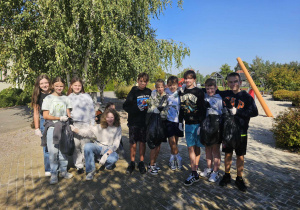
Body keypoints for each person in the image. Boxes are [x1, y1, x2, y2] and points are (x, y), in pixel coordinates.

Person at [218, 72, 258, 192]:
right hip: (227, 130)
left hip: (241, 130)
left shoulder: (246, 97)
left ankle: (239, 178)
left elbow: (255, 112)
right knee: (228, 153)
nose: (233, 84)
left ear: (240, 82)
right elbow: (209, 89)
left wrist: (238, 112)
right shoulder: (225, 94)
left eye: (235, 81)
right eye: (230, 82)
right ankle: (227, 175)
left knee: (240, 155)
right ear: (227, 83)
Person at [71, 109, 122, 180]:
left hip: (109, 149)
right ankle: (91, 171)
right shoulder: (99, 126)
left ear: (115, 118)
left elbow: (116, 143)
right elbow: (87, 133)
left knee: (113, 159)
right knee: (87, 146)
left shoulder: (118, 127)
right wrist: (76, 130)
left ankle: (105, 163)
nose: (110, 119)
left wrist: (106, 154)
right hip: (98, 146)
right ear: (105, 118)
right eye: (108, 117)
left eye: (112, 117)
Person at [42, 77, 73, 184]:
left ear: (64, 86)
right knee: (53, 151)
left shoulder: (66, 98)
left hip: (64, 127)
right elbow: (45, 115)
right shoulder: (48, 99)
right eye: (57, 86)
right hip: (52, 128)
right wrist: (58, 118)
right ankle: (54, 174)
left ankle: (63, 171)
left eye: (61, 86)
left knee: (63, 150)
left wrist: (71, 116)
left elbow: (68, 113)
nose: (59, 88)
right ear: (53, 86)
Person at [179, 70, 206, 186]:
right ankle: (194, 172)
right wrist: (180, 121)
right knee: (190, 148)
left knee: (197, 147)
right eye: (186, 78)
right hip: (188, 124)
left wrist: (202, 124)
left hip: (197, 124)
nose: (187, 80)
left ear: (194, 79)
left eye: (190, 78)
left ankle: (195, 168)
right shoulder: (181, 91)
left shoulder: (199, 92)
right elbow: (181, 108)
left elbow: (203, 109)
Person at [123, 72, 151, 174]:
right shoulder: (133, 91)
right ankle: (132, 163)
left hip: (144, 123)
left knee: (143, 143)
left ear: (147, 82)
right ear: (138, 81)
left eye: (144, 81)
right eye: (140, 81)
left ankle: (141, 162)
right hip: (133, 122)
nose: (142, 83)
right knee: (133, 143)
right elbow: (125, 106)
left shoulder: (149, 92)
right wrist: (135, 110)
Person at [67, 76, 95, 174]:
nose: (77, 87)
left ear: (81, 86)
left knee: (85, 145)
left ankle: (87, 163)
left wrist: (93, 124)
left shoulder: (86, 96)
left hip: (86, 124)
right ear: (71, 86)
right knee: (76, 146)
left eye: (79, 85)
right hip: (75, 125)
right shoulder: (68, 97)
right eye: (75, 85)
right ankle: (79, 165)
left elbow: (92, 110)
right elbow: (67, 111)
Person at [199, 78, 223, 182]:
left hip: (216, 125)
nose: (209, 91)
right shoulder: (205, 97)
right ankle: (208, 169)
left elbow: (222, 113)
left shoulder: (219, 99)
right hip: (206, 125)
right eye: (207, 89)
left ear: (216, 88)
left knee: (215, 150)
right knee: (207, 149)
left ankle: (215, 172)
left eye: (212, 88)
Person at [31, 74, 52, 176]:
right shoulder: (37, 96)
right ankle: (48, 169)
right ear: (38, 85)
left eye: (46, 83)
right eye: (42, 83)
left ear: (49, 83)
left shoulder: (55, 93)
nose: (44, 85)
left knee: (57, 144)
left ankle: (59, 167)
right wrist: (37, 128)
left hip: (56, 121)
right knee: (46, 147)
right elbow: (36, 113)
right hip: (44, 121)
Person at [147, 79, 168, 175]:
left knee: (159, 145)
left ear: (164, 87)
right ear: (156, 87)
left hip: (162, 122)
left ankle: (154, 163)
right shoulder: (153, 95)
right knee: (154, 145)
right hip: (154, 122)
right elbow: (149, 107)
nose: (160, 89)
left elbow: (166, 108)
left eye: (161, 87)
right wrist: (154, 109)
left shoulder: (166, 96)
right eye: (158, 87)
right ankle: (151, 166)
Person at [164, 76, 184, 170]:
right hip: (168, 120)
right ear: (168, 85)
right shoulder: (166, 92)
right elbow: (157, 90)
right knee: (172, 142)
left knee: (175, 142)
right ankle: (178, 158)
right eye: (170, 85)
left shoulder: (180, 92)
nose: (172, 87)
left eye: (174, 85)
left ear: (177, 85)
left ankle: (172, 158)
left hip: (178, 121)